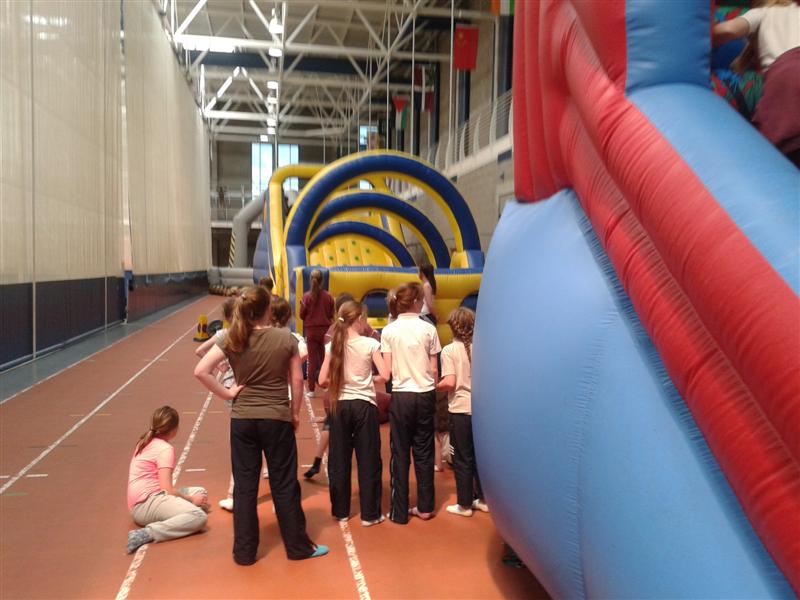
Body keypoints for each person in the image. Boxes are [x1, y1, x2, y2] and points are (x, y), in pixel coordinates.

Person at [194, 286, 328, 564]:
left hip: (242, 420)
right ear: (268, 308)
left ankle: (244, 552)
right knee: (284, 482)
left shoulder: (233, 336)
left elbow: (201, 370)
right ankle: (297, 547)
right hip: (276, 418)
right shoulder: (284, 337)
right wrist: (294, 413)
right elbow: (297, 379)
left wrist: (228, 393)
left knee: (244, 485)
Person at [318, 301, 390, 526]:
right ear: (359, 319)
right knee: (369, 458)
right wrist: (370, 379)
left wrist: (340, 381)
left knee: (339, 458)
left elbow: (321, 380)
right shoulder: (370, 344)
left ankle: (340, 510)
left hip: (340, 405)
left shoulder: (333, 345)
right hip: (364, 405)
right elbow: (385, 375)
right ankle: (370, 514)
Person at [196, 298, 267, 512]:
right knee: (263, 437)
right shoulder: (258, 334)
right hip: (257, 392)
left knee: (244, 446)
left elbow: (199, 354)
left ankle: (234, 494)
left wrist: (219, 365)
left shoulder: (226, 335)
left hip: (234, 390)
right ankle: (265, 476)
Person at [381, 282, 442, 524]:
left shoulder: (389, 331)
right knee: (424, 451)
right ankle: (425, 507)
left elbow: (387, 371)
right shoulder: (428, 329)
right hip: (425, 393)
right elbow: (434, 369)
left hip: (402, 395)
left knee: (400, 451)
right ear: (416, 302)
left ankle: (399, 511)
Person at [712, 0, 800, 166]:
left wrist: (698, 35)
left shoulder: (762, 12)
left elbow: (729, 30)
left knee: (778, 158)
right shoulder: (796, 10)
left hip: (788, 75)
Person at [126, 406, 209, 554]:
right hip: (146, 504)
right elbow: (167, 490)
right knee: (199, 516)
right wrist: (191, 500)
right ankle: (148, 533)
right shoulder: (165, 449)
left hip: (143, 501)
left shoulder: (144, 441)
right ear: (174, 429)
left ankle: (178, 516)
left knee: (200, 491)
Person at [436, 308, 488, 517]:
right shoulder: (482, 349)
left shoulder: (450, 351)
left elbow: (450, 382)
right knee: (479, 457)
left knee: (462, 458)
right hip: (481, 410)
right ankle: (483, 498)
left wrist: (433, 386)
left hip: (460, 409)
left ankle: (464, 504)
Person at [300, 270, 334, 397]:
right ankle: (326, 385)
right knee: (325, 358)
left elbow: (301, 314)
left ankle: (311, 389)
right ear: (322, 281)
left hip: (311, 331)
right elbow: (331, 314)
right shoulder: (328, 297)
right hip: (325, 331)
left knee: (312, 360)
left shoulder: (306, 297)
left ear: (310, 280)